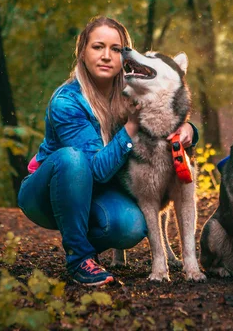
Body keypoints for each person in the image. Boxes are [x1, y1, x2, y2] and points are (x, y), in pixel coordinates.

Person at [18, 16, 197, 286]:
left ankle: (79, 234)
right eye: (97, 47)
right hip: (48, 192)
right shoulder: (66, 101)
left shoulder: (130, 90)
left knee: (131, 226)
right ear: (82, 53)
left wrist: (191, 131)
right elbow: (96, 171)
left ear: (125, 57)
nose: (106, 56)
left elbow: (167, 109)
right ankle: (80, 258)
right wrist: (132, 126)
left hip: (94, 194)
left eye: (115, 49)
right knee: (72, 159)